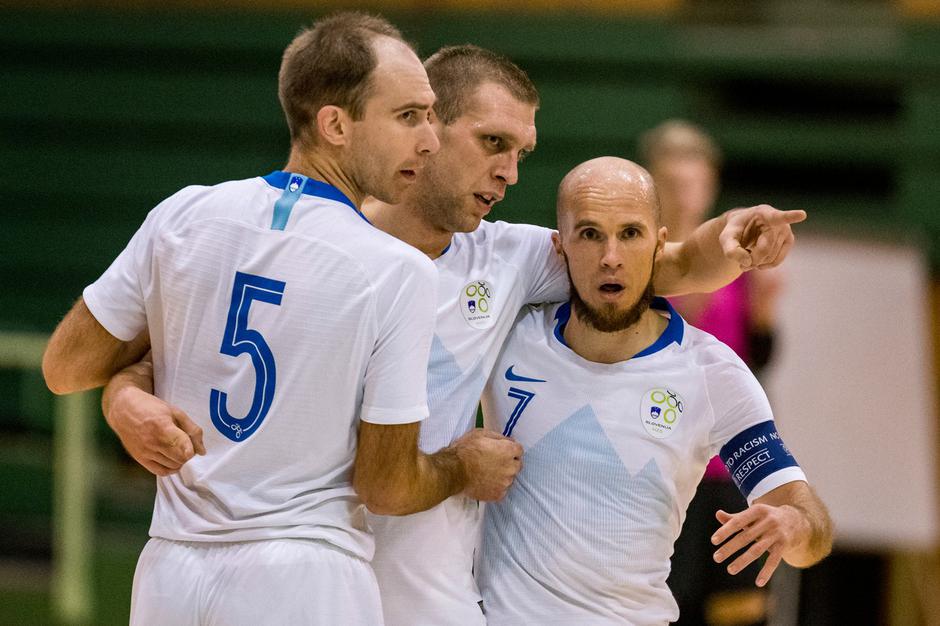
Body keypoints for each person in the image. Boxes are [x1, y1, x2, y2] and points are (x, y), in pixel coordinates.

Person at [101, 45, 808, 626]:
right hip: (289, 583)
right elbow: (163, 351)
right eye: (494, 143)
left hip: (429, 604)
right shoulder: (314, 244)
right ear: (428, 129)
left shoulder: (507, 259)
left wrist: (736, 237)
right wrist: (123, 397)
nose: (510, 170)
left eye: (522, 151)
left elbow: (665, 261)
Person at [40, 14, 524, 625]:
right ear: (335, 125)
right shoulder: (394, 270)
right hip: (303, 577)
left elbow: (65, 367)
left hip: (171, 571)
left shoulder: (186, 214)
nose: (429, 141)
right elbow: (387, 485)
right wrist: (463, 466)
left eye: (430, 115)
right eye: (408, 117)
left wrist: (122, 397)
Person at [477, 157, 833, 626]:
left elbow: (808, 518)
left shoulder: (712, 373)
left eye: (630, 233)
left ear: (659, 244)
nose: (611, 256)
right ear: (559, 249)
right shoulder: (507, 333)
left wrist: (795, 526)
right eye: (590, 234)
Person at [641, 120, 786, 625]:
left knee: (739, 605)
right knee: (670, 603)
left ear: (710, 185)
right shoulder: (640, 263)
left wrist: (763, 317)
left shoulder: (738, 265)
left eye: (694, 182)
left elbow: (756, 363)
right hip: (662, 460)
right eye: (672, 183)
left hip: (727, 465)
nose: (684, 195)